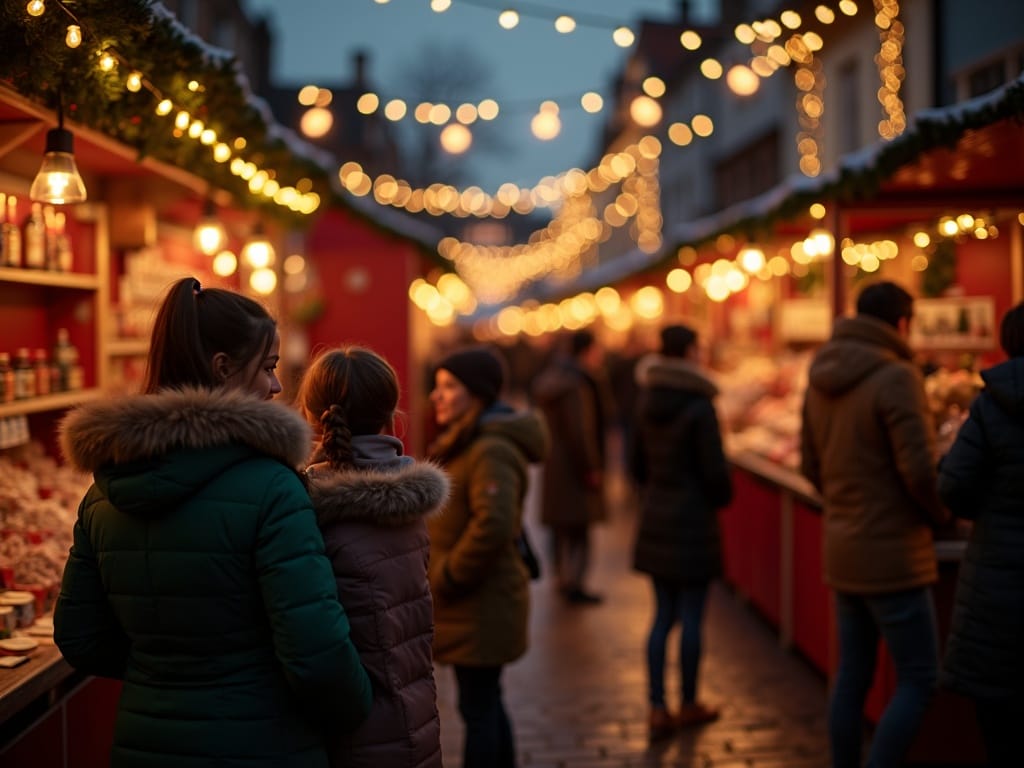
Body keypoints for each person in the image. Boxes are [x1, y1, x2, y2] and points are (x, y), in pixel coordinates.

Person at [54, 277, 372, 767]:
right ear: (223, 368)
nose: (277, 385)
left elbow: (79, 635)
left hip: (146, 743)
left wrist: (164, 671)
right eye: (267, 367)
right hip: (262, 742)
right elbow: (318, 654)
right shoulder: (272, 488)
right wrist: (357, 711)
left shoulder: (101, 496)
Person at [800, 280, 949, 768]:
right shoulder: (897, 376)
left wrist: (845, 505)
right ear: (902, 322)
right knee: (920, 676)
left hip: (843, 548)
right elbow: (921, 473)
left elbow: (810, 465)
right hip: (893, 554)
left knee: (852, 675)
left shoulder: (820, 372)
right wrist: (944, 516)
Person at [296, 345, 447, 768]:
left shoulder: (307, 510)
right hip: (415, 714)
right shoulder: (408, 500)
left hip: (353, 730)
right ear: (390, 411)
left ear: (310, 415)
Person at [426, 345, 549, 768]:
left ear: (476, 393)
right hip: (477, 600)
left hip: (481, 600)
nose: (436, 397)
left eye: (448, 387)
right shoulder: (471, 439)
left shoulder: (489, 448)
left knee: (478, 710)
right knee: (484, 704)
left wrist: (448, 575)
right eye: (437, 386)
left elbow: (494, 524)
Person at [629, 324, 732, 739]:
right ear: (690, 351)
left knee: (662, 617)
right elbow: (715, 474)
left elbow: (636, 466)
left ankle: (656, 706)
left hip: (656, 516)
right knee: (691, 616)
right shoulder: (700, 405)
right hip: (692, 521)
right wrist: (719, 496)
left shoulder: (646, 400)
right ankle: (688, 702)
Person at [937, 301, 1024, 766]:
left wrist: (989, 512)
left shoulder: (991, 406)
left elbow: (953, 485)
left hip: (999, 582)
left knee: (1002, 727)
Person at [532, 329, 609, 604]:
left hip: (555, 465)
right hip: (576, 467)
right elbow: (581, 431)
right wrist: (591, 467)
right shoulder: (578, 384)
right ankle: (575, 583)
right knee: (580, 528)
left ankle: (560, 577)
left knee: (559, 527)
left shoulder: (552, 378)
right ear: (587, 350)